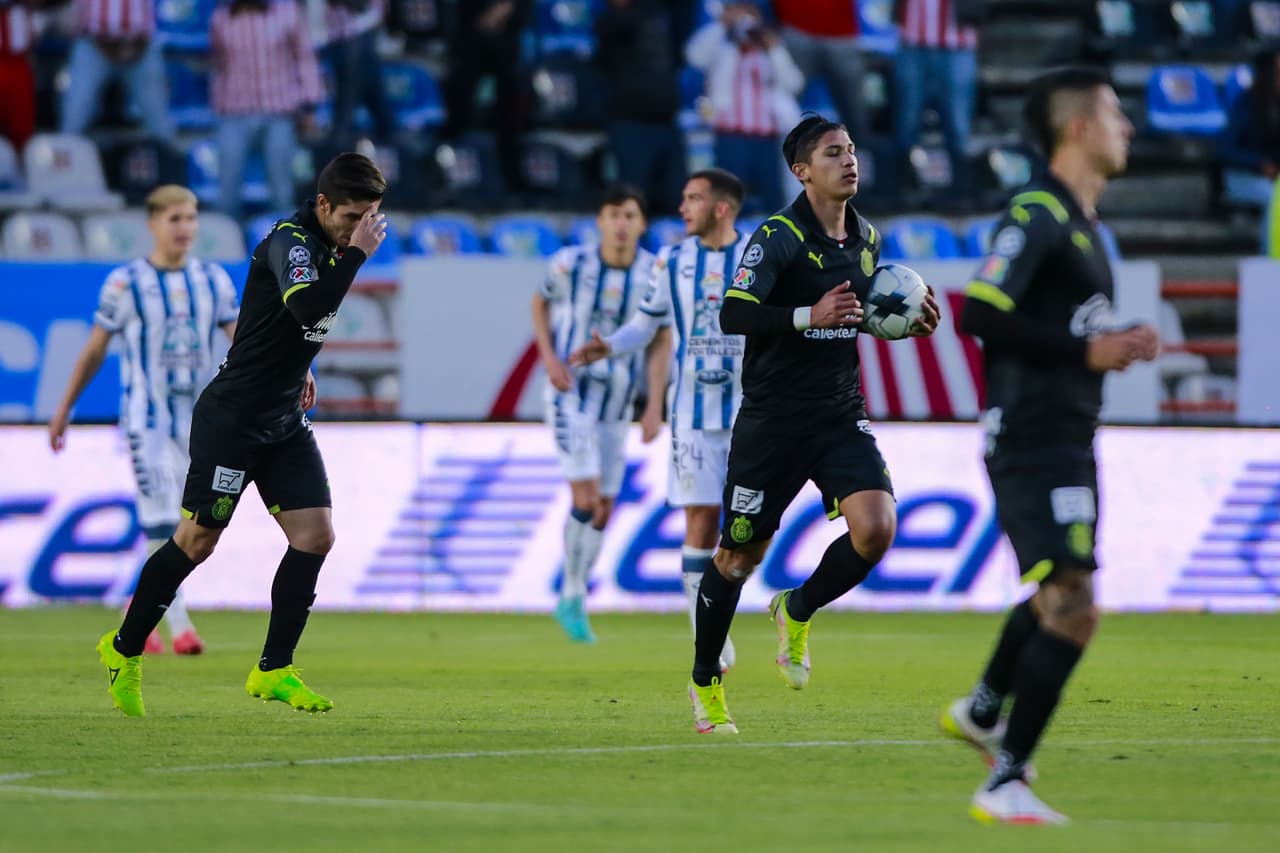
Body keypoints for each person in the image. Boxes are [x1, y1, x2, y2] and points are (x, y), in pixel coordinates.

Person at [95, 154, 389, 717]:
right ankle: (123, 648)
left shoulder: (331, 242)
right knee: (197, 541)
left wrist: (298, 366)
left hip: (282, 420)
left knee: (315, 535)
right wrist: (356, 255)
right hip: (233, 420)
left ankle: (274, 669)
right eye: (352, 216)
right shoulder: (292, 241)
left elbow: (279, 326)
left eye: (370, 217)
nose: (360, 228)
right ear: (323, 204)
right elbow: (306, 309)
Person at [948, 67, 1160, 824]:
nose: (1127, 128)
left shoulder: (1086, 227)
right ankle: (1005, 778)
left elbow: (1071, 333)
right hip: (1033, 433)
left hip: (1069, 432)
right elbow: (980, 313)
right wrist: (1086, 354)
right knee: (1074, 605)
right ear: (1077, 128)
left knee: (1059, 593)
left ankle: (982, 710)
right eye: (1113, 114)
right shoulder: (1036, 212)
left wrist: (1114, 344)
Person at [685, 115, 941, 734]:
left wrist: (906, 322)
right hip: (772, 422)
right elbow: (734, 314)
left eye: (852, 149)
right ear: (802, 170)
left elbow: (861, 316)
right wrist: (808, 313)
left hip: (838, 413)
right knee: (737, 556)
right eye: (833, 152)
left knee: (876, 529)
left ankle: (797, 608)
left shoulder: (868, 239)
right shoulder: (776, 237)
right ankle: (705, 684)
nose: (849, 160)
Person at [569, 168, 751, 670]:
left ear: (721, 207)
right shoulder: (672, 260)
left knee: (747, 529)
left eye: (692, 199)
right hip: (690, 415)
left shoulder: (759, 255)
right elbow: (647, 322)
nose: (682, 208)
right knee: (700, 518)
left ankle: (715, 604)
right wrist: (609, 344)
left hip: (751, 414)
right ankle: (706, 624)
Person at [50, 185, 240, 656]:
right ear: (153, 223)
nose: (185, 228)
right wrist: (64, 408)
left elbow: (243, 342)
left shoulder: (214, 281)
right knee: (159, 519)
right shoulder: (124, 283)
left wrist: (287, 372)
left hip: (200, 424)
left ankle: (140, 603)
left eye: (191, 218)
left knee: (188, 524)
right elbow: (95, 349)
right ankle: (182, 626)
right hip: (146, 421)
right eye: (175, 219)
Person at [530, 184, 656, 643]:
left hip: (618, 400)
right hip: (571, 394)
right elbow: (539, 301)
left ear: (641, 223)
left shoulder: (652, 274)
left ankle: (573, 595)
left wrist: (654, 404)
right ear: (599, 222)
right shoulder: (570, 263)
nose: (621, 224)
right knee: (585, 500)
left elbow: (660, 338)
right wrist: (549, 359)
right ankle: (573, 593)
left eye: (629, 215)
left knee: (603, 508)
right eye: (613, 214)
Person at [210, 0, 325, 220]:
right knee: (227, 187)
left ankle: (285, 244)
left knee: (281, 188)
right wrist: (218, 106)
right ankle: (229, 243)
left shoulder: (288, 12)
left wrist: (310, 105)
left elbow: (305, 58)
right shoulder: (221, 19)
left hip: (279, 114)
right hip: (234, 113)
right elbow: (219, 65)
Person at [685, 4, 804, 214]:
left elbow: (794, 83)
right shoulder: (723, 50)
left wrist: (773, 48)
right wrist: (722, 25)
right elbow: (694, 55)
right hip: (730, 136)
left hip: (766, 138)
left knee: (773, 199)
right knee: (728, 198)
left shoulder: (769, 53)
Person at [594, 0, 686, 215]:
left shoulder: (662, 14)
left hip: (667, 124)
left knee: (677, 201)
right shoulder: (610, 22)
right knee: (634, 201)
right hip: (631, 125)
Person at [892, 0, 979, 199]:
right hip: (912, 41)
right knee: (907, 119)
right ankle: (906, 186)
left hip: (958, 42)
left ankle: (961, 190)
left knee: (958, 123)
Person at [59, 0, 174, 139]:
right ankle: (66, 153)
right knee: (76, 110)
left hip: (140, 44)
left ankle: (168, 157)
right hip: (93, 42)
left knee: (157, 114)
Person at [1219, 49, 1280, 254]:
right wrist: (1259, 164)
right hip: (1241, 176)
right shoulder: (1246, 104)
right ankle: (1270, 259)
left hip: (1274, 179)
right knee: (1274, 199)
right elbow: (1226, 150)